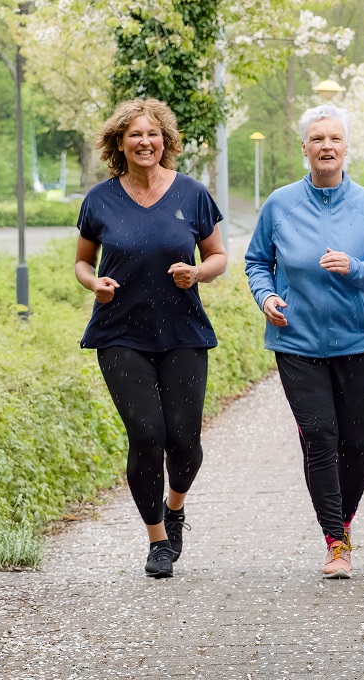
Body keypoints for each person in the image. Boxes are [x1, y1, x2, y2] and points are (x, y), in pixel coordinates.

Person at [245, 104, 364, 579]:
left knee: (356, 443)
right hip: (296, 342)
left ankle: (344, 523)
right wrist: (266, 297)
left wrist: (353, 268)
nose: (326, 146)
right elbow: (257, 262)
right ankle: (335, 540)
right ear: (305, 148)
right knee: (320, 437)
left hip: (355, 341)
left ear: (346, 147)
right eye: (317, 139)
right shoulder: (280, 204)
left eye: (334, 139)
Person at [75, 98, 227, 579]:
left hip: (183, 331)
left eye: (153, 134)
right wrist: (93, 284)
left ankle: (175, 506)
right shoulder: (99, 199)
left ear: (166, 140)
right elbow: (82, 262)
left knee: (184, 442)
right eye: (135, 135)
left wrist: (198, 273)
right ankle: (158, 539)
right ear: (120, 143)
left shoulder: (192, 193)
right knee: (146, 436)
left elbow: (219, 256)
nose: (145, 142)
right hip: (120, 332)